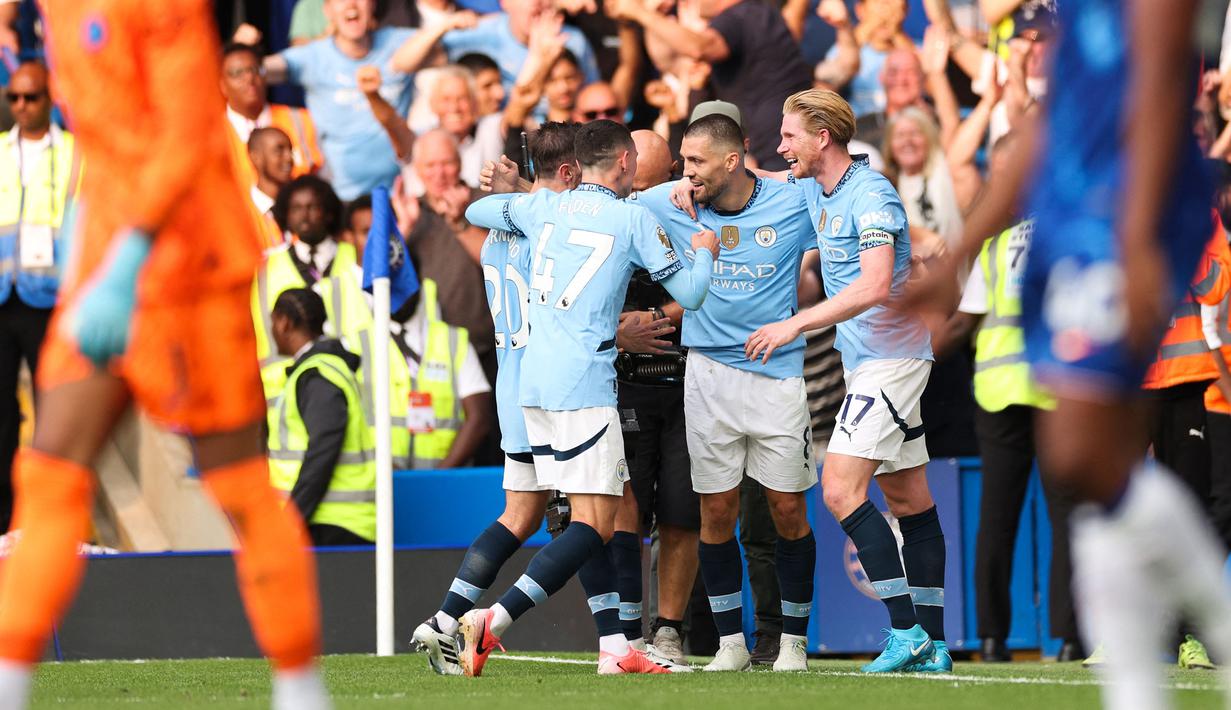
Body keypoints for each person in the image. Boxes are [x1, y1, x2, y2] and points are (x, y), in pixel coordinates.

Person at [0, 2, 328, 708]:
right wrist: (88, 239)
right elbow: (104, 136)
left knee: (238, 486)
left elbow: (185, 135)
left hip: (190, 271)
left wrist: (128, 261)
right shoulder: (55, 12)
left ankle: (301, 689)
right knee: (51, 469)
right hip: (110, 255)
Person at [909, 1, 1231, 706]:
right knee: (1085, 463)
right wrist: (959, 253)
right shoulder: (1068, 16)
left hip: (1119, 210)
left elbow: (1158, 88)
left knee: (1084, 457)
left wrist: (1138, 232)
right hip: (1072, 214)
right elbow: (1035, 138)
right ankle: (1155, 676)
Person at [456, 120, 718, 677]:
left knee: (576, 515)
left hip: (533, 387)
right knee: (596, 524)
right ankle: (492, 621)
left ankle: (614, 648)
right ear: (624, 162)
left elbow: (477, 213)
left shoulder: (545, 207)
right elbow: (692, 294)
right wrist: (704, 251)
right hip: (584, 384)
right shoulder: (631, 219)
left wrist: (524, 194)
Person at [745, 89, 949, 673]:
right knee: (910, 498)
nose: (782, 146)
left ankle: (905, 630)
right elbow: (755, 180)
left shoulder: (873, 194)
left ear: (822, 138)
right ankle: (933, 644)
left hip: (893, 358)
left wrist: (796, 324)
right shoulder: (814, 186)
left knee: (838, 489)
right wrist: (695, 179)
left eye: (789, 136)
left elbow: (875, 285)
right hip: (870, 361)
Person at [637, 114, 820, 672]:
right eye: (682, 162)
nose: (684, 173)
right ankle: (730, 645)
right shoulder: (667, 201)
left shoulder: (792, 202)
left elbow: (845, 195)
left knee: (787, 508)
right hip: (707, 376)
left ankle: (792, 641)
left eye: (695, 162)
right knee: (715, 511)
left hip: (777, 375)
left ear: (733, 161)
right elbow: (599, 207)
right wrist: (525, 193)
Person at [412, 121, 581, 675]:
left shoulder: (493, 237)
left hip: (510, 383)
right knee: (597, 516)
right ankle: (615, 641)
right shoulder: (548, 230)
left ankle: (444, 620)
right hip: (549, 384)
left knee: (520, 514)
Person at [259, 0, 476, 199]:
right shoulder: (312, 56)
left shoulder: (397, 41)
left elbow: (453, 48)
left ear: (373, 4)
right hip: (343, 199)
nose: (352, 4)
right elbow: (259, 72)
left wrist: (445, 25)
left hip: (403, 193)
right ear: (328, 10)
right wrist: (246, 53)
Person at [0, 62, 78, 536]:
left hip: (50, 298)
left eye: (31, 97)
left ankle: (54, 518)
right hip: (2, 297)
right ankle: (5, 519)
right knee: (0, 415)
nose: (22, 106)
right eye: (15, 98)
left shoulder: (74, 153)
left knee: (57, 414)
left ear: (49, 99)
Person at [609, 0, 810, 170]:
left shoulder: (736, 18)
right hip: (788, 141)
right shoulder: (762, 13)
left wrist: (638, 11)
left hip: (774, 151)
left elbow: (699, 47)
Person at [267, 288, 376, 547]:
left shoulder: (318, 375)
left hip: (330, 524)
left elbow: (323, 449)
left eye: (272, 322)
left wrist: (292, 519)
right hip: (334, 521)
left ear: (284, 323)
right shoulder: (322, 370)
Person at [253, 175, 362, 401]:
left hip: (352, 383)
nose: (305, 215)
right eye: (297, 208)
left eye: (313, 207)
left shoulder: (355, 259)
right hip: (287, 390)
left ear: (329, 212)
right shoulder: (267, 267)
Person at [441, 0, 600, 95]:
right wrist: (441, 27)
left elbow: (592, 95)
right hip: (504, 136)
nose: (537, 2)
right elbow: (419, 56)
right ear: (504, 2)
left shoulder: (573, 39)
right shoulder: (481, 34)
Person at [221, 43, 323, 184]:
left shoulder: (301, 120)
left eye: (255, 70)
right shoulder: (213, 136)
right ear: (222, 85)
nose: (249, 78)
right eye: (237, 73)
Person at [411, 129, 489, 263]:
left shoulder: (485, 202)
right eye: (430, 165)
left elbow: (497, 262)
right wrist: (404, 229)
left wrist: (459, 222)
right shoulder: (410, 211)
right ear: (417, 169)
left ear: (460, 164)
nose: (439, 173)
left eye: (447, 163)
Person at [247, 127, 295, 250]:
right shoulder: (242, 214)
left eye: (290, 150)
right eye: (279, 151)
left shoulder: (301, 206)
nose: (289, 157)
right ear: (256, 157)